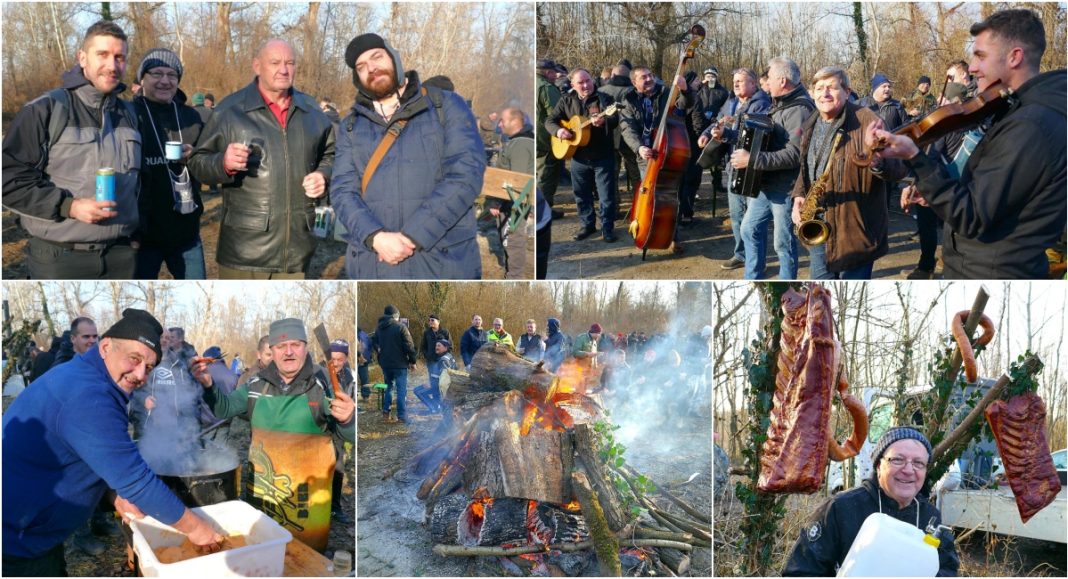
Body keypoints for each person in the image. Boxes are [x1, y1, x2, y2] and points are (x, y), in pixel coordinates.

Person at [3, 309, 223, 575]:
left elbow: (81, 449)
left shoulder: (85, 376)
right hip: (17, 540)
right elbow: (136, 481)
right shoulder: (88, 394)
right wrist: (198, 529)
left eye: (149, 367)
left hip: (33, 529)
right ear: (105, 347)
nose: (141, 374)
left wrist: (111, 493)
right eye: (134, 358)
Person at [873, 8, 1067, 279]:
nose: (972, 68)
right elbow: (994, 197)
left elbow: (972, 216)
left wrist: (916, 157)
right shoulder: (1023, 110)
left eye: (980, 56)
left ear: (1015, 56)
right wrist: (935, 189)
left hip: (990, 272)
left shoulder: (1031, 124)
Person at [192, 318, 355, 551]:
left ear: (306, 347)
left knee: (304, 561)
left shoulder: (322, 386)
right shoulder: (256, 386)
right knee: (263, 554)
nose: (288, 352)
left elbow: (348, 436)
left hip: (305, 507)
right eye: (281, 346)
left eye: (295, 345)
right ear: (272, 351)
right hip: (263, 499)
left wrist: (349, 419)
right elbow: (224, 408)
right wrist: (208, 385)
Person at [331, 33, 485, 280]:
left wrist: (412, 236)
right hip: (373, 264)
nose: (371, 68)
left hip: (441, 261)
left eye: (377, 57)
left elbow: (466, 175)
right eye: (361, 66)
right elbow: (342, 191)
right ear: (356, 77)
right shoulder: (351, 126)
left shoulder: (446, 106)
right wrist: (375, 237)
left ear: (394, 57)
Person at [2, 21, 140, 279]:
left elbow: (142, 184)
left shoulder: (130, 114)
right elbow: (7, 180)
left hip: (122, 256)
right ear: (82, 58)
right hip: (59, 258)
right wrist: (69, 206)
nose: (112, 66)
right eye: (103, 55)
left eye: (119, 57)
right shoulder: (46, 109)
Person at [188, 39, 335, 279]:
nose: (284, 69)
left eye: (290, 63)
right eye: (275, 62)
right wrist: (223, 163)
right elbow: (197, 162)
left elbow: (331, 155)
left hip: (296, 251)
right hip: (244, 252)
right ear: (257, 66)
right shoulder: (230, 110)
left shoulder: (313, 111)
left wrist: (324, 175)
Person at [783, 427, 959, 576]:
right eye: (897, 460)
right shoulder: (841, 509)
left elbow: (947, 569)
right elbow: (801, 571)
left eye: (918, 463)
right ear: (878, 466)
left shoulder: (930, 517)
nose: (908, 470)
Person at [789, 67, 906, 279]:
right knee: (821, 290)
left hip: (855, 231)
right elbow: (806, 166)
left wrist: (877, 161)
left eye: (832, 87)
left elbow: (898, 168)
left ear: (847, 91)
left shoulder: (868, 120)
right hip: (817, 223)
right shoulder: (811, 122)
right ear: (812, 93)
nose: (825, 93)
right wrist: (798, 195)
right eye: (819, 88)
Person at [732, 57, 815, 280]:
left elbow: (795, 155)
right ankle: (753, 277)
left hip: (785, 189)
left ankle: (786, 284)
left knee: (783, 244)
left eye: (768, 77)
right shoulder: (778, 104)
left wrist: (752, 160)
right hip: (766, 185)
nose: (765, 82)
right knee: (748, 229)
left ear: (782, 80)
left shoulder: (800, 109)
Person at [132, 48, 208, 279]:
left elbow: (210, 165)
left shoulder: (192, 117)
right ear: (142, 78)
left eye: (172, 75)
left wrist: (195, 157)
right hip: (143, 234)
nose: (165, 81)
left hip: (185, 231)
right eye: (156, 73)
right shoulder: (128, 114)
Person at [697, 68, 771, 269]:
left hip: (752, 169)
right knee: (737, 215)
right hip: (733, 166)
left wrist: (726, 134)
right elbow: (719, 120)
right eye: (734, 81)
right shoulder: (731, 102)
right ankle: (741, 255)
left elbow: (753, 135)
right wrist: (706, 133)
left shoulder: (761, 104)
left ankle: (757, 261)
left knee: (752, 220)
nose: (736, 84)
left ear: (754, 84)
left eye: (741, 81)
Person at [546, 68, 620, 243]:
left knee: (606, 195)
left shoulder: (604, 99)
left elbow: (615, 119)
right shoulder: (566, 100)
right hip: (578, 157)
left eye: (588, 80)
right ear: (573, 85)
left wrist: (604, 121)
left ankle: (607, 228)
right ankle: (587, 225)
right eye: (581, 82)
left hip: (602, 155)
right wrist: (559, 132)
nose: (586, 85)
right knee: (581, 194)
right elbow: (549, 121)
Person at [484, 106, 533, 277]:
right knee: (508, 240)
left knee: (512, 240)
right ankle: (511, 273)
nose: (500, 124)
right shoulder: (516, 142)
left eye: (502, 120)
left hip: (514, 203)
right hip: (509, 202)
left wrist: (496, 201)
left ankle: (514, 276)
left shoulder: (521, 144)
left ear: (514, 121)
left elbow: (516, 182)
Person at [598, 64, 640, 196]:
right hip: (630, 136)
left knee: (611, 174)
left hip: (608, 136)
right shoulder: (633, 91)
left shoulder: (601, 90)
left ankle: (613, 207)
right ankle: (638, 204)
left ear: (612, 76)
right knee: (635, 172)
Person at [327, 339, 356, 526]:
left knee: (337, 468)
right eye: (332, 358)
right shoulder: (319, 374)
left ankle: (335, 507)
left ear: (345, 358)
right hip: (319, 428)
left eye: (339, 359)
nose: (335, 362)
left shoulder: (350, 378)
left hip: (338, 430)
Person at [372, 305, 416, 423]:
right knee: (401, 390)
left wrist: (378, 349)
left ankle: (386, 413)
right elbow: (409, 345)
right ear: (395, 316)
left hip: (385, 364)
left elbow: (373, 341)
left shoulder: (379, 328)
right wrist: (412, 361)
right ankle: (401, 416)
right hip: (400, 364)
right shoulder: (401, 327)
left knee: (389, 388)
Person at [693, 67, 731, 194]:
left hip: (715, 125)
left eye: (712, 76)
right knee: (697, 156)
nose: (710, 78)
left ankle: (717, 183)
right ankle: (695, 185)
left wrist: (718, 120)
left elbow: (726, 108)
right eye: (708, 76)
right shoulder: (699, 89)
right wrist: (700, 86)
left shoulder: (722, 91)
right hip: (699, 124)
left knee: (715, 155)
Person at [536, 59, 564, 219]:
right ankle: (544, 211)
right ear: (548, 72)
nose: (556, 76)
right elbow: (556, 114)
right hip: (545, 140)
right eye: (554, 73)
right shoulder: (546, 88)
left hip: (534, 138)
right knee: (546, 175)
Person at [414, 339, 455, 414]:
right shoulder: (449, 356)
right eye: (436, 345)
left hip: (440, 385)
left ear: (445, 348)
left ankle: (434, 409)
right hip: (443, 385)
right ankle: (437, 406)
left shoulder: (444, 360)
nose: (436, 347)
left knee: (417, 391)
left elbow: (444, 377)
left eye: (439, 346)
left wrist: (431, 384)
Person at [356, 327, 372, 404]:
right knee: (364, 379)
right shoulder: (365, 335)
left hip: (362, 360)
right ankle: (366, 396)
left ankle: (364, 396)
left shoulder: (363, 335)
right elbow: (369, 346)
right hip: (363, 359)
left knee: (362, 379)